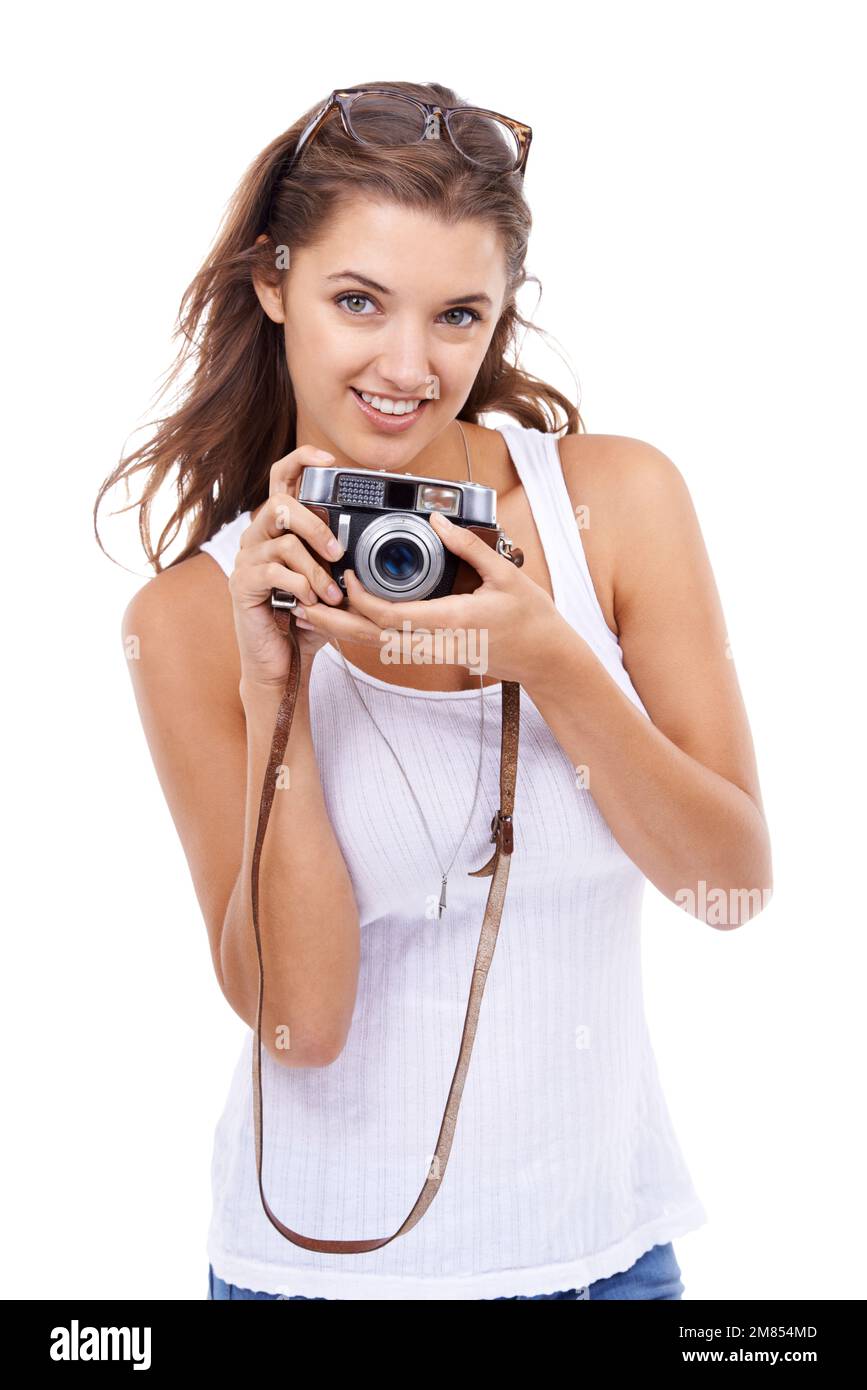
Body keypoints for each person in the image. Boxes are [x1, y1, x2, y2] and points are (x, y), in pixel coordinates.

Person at [100, 80, 772, 1301]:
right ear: (273, 284)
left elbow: (729, 886)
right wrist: (280, 693)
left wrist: (556, 659)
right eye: (357, 301)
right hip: (313, 1274)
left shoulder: (610, 507)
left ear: (501, 313)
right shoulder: (193, 617)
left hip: (607, 1263)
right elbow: (301, 1023)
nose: (409, 368)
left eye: (458, 314)